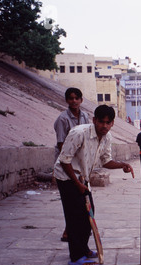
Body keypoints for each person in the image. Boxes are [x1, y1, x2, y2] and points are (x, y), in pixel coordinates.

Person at [54, 105, 134, 265]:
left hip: (82, 178)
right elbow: (64, 160)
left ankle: (84, 249)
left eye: (108, 123)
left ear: (112, 124)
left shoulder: (106, 137)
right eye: (101, 122)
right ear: (94, 120)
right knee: (75, 217)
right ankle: (76, 257)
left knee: (88, 214)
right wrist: (77, 184)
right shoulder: (79, 133)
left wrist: (122, 165)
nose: (104, 126)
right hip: (66, 177)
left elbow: (106, 161)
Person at [54, 87, 90, 242]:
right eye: (71, 98)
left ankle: (74, 229)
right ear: (67, 100)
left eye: (77, 98)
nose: (74, 101)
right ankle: (68, 231)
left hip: (80, 162)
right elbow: (61, 144)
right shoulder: (62, 119)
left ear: (81, 100)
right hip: (66, 163)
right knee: (70, 200)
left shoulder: (85, 116)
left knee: (80, 200)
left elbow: (87, 138)